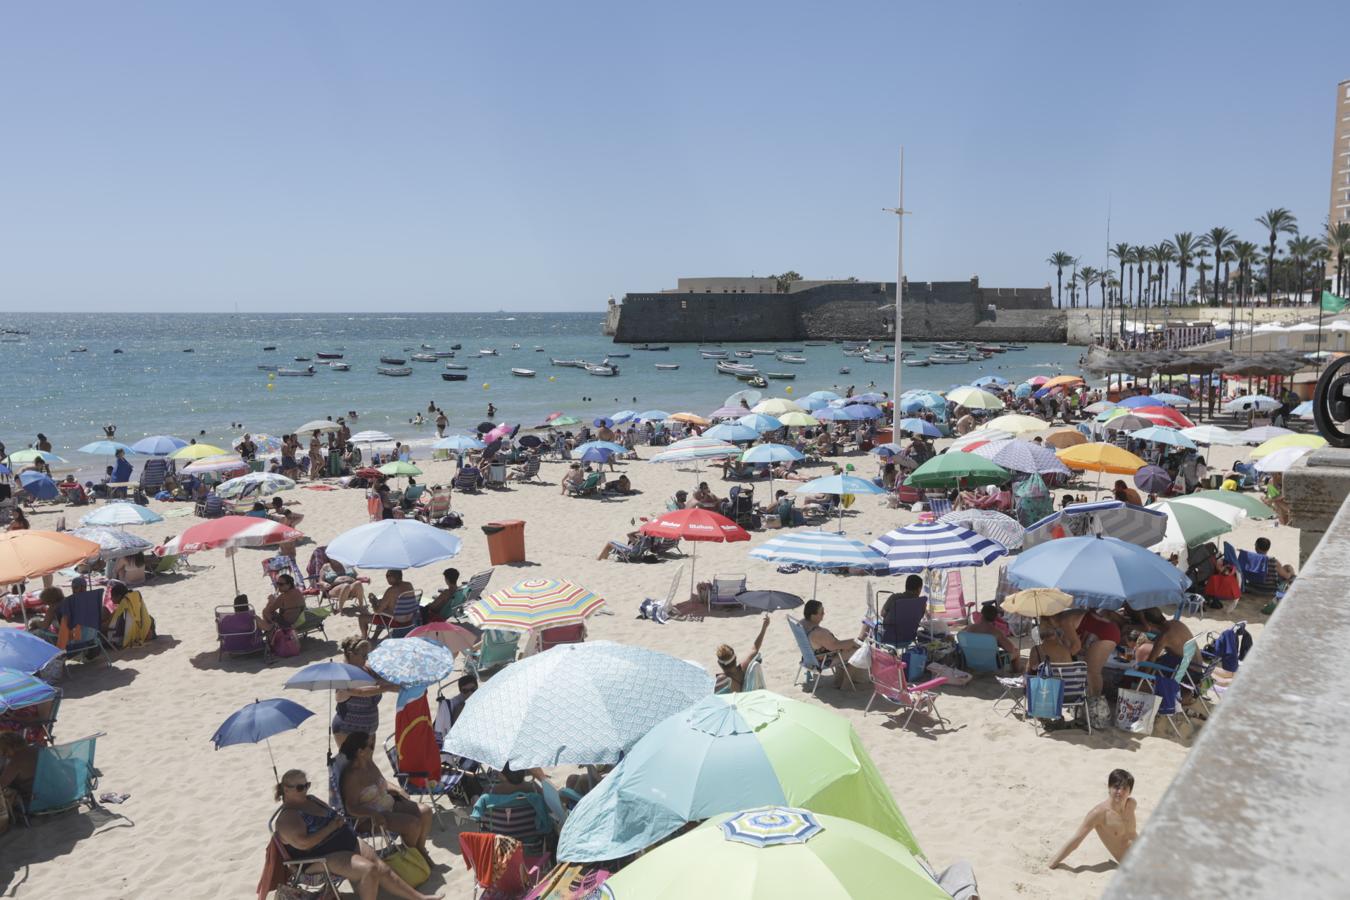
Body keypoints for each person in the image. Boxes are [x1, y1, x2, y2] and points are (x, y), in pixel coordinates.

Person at [274, 769, 441, 900]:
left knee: (382, 868)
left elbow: (331, 814)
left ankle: (420, 898)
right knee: (369, 870)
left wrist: (337, 821)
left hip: (345, 841)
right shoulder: (288, 818)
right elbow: (305, 844)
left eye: (307, 785)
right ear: (286, 790)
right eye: (300, 787)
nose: (305, 790)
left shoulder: (311, 799)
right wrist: (332, 827)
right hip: (322, 858)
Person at [338, 731, 435, 865]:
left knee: (426, 812)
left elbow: (382, 782)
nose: (373, 747)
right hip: (371, 818)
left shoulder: (368, 763)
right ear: (360, 751)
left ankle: (419, 850)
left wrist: (397, 789)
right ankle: (413, 859)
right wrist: (373, 813)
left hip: (388, 804)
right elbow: (351, 807)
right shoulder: (351, 777)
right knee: (413, 824)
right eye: (370, 746)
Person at [1049, 769, 1138, 869]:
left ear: (1130, 792)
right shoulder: (1099, 814)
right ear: (1109, 788)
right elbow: (1076, 840)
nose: (1120, 792)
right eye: (1116, 787)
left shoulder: (1131, 804)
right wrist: (1052, 863)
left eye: (1124, 788)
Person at [331, 637, 394, 744]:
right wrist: (387, 688)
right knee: (350, 761)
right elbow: (361, 692)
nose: (366, 659)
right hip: (347, 730)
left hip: (369, 730)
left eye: (367, 655)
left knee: (368, 761)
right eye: (363, 655)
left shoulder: (368, 669)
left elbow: (387, 680)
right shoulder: (343, 676)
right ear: (351, 655)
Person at [800, 600, 866, 689]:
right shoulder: (819, 632)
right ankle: (846, 683)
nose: (824, 614)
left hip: (808, 657)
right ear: (813, 616)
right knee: (860, 651)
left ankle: (839, 679)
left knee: (850, 646)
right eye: (821, 612)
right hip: (822, 660)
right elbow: (835, 646)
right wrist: (854, 642)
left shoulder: (801, 623)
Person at [715, 613, 770, 692]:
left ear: (719, 664)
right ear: (735, 658)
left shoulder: (722, 681)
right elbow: (755, 648)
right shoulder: (743, 668)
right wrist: (764, 628)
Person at [965, 602, 1025, 673]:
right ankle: (1017, 671)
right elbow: (1011, 649)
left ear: (981, 615)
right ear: (995, 618)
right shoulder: (996, 632)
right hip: (992, 662)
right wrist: (999, 643)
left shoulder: (970, 628)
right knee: (1016, 652)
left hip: (972, 659)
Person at [360, 569, 415, 640]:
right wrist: (380, 602)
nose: (386, 577)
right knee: (384, 613)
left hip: (397, 622)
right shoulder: (409, 585)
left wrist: (373, 602)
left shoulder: (391, 590)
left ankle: (364, 639)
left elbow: (377, 611)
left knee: (362, 618)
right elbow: (396, 602)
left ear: (395, 577)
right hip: (410, 620)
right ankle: (374, 637)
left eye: (388, 575)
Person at [878, 575, 927, 647]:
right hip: (909, 637)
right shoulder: (921, 603)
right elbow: (919, 618)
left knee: (871, 622)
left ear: (906, 586)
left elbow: (882, 613)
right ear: (919, 589)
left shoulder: (895, 597)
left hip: (890, 636)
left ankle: (859, 642)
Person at [0, 731, 38, 811]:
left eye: (4, 751)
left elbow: (1, 784)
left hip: (38, 801)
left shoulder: (16, 760)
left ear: (12, 746)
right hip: (64, 794)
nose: (4, 755)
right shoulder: (39, 749)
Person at [259, 573, 305, 637]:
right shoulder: (298, 592)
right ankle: (271, 631)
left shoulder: (283, 596)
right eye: (277, 584)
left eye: (281, 584)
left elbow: (270, 609)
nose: (278, 586)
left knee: (265, 611)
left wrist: (271, 600)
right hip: (299, 620)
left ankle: (271, 632)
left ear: (289, 584)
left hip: (286, 624)